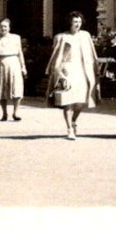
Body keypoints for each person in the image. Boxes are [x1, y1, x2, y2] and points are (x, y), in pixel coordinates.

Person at [46, 11, 100, 139]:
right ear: (69, 22)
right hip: (67, 71)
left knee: (81, 101)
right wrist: (58, 72)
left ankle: (74, 120)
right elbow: (56, 56)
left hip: (82, 71)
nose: (78, 24)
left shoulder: (86, 35)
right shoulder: (61, 37)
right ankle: (69, 128)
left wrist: (95, 69)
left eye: (79, 22)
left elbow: (93, 54)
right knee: (67, 100)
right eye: (75, 21)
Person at [0, 17, 27, 121]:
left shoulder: (16, 37)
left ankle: (15, 112)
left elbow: (20, 53)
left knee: (17, 88)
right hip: (0, 64)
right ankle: (4, 113)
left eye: (5, 26)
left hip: (14, 63)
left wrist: (23, 66)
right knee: (2, 89)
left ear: (9, 28)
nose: (3, 28)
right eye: (1, 26)